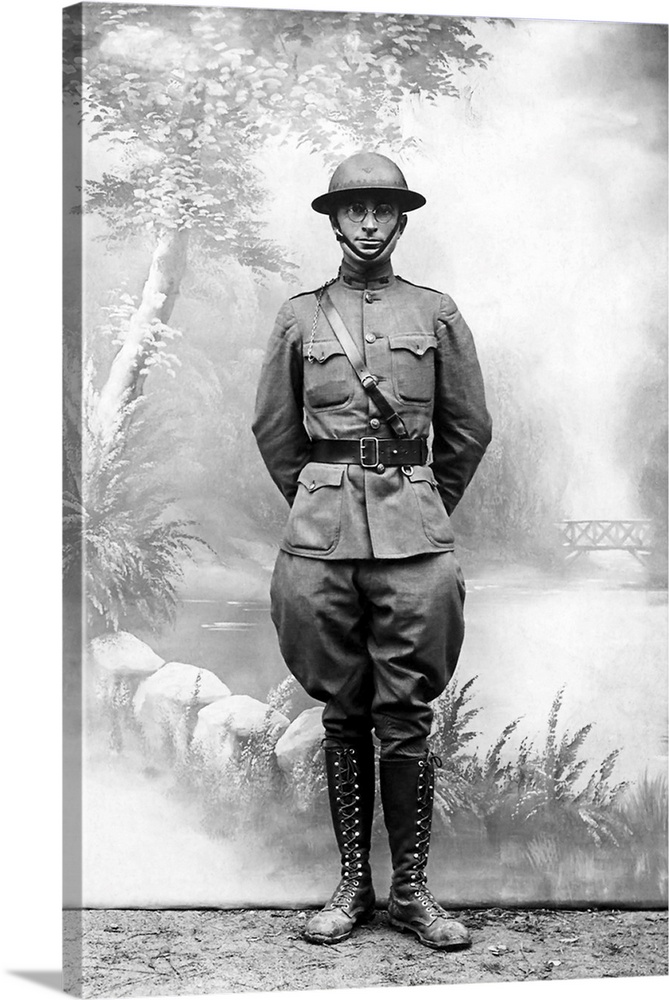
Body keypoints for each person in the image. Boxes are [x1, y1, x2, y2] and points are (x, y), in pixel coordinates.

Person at [252, 152, 492, 950]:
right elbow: (275, 432)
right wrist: (324, 499)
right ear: (331, 218)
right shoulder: (298, 317)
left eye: (380, 210)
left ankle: (412, 892)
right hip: (320, 545)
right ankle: (353, 885)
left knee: (406, 713)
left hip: (414, 540)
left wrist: (418, 501)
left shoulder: (437, 312)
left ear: (400, 220)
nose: (365, 223)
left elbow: (466, 430)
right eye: (351, 209)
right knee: (342, 711)